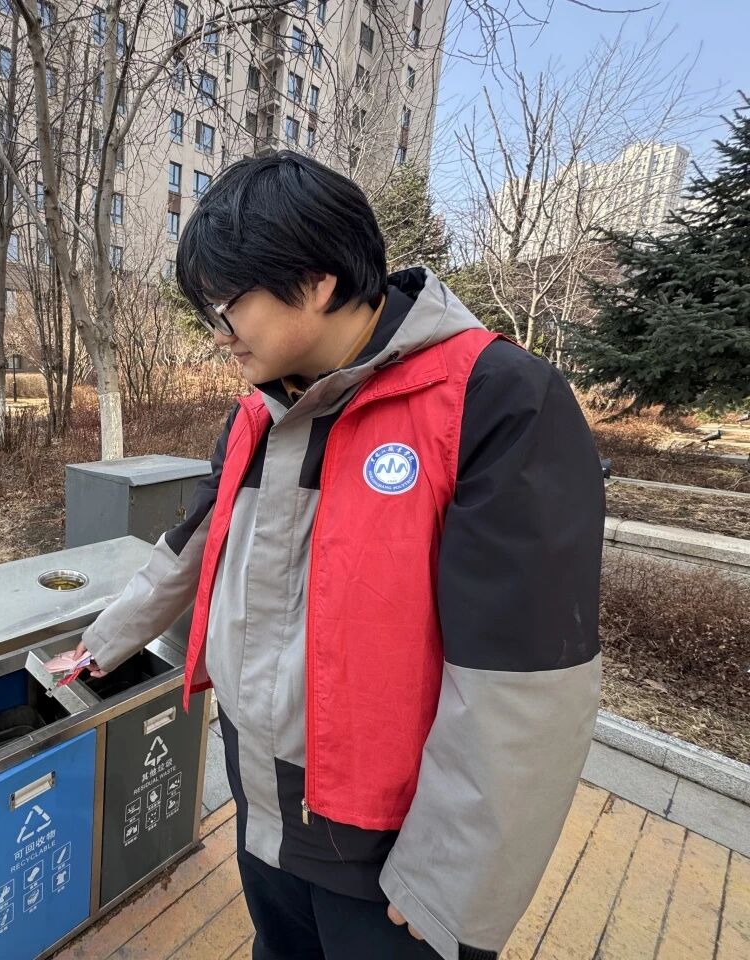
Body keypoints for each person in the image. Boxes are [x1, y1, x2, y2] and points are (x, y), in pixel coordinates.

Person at [71, 151, 604, 960]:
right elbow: (194, 544)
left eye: (227, 305)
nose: (218, 334)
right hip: (265, 803)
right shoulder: (258, 413)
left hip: (392, 853)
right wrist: (103, 643)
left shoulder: (494, 399)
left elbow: (526, 682)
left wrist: (449, 882)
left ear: (317, 282)